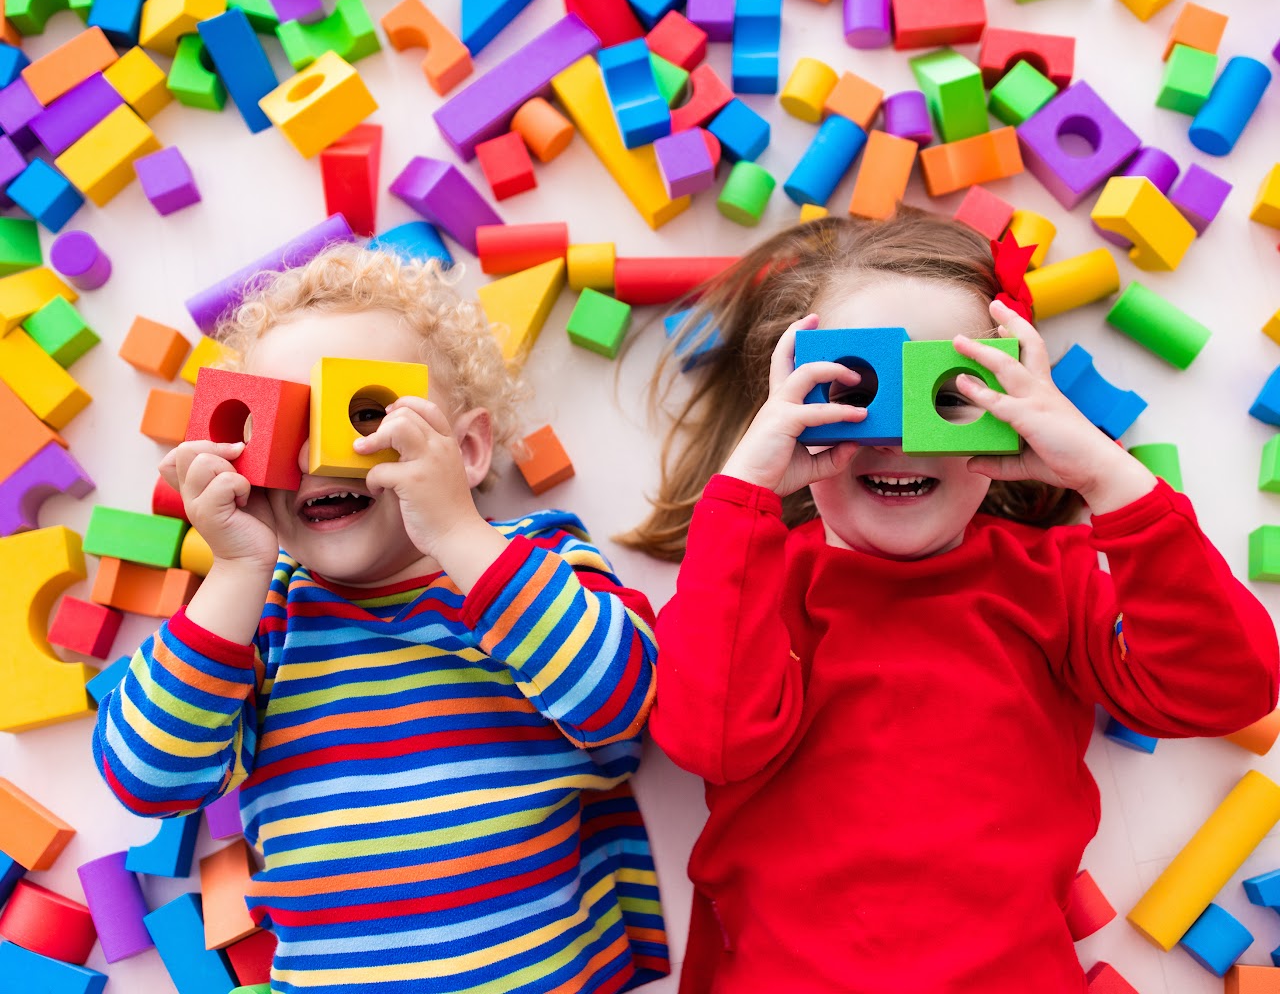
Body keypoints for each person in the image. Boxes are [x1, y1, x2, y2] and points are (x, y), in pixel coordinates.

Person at [622, 210, 1278, 993]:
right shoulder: (754, 581)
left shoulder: (1051, 580)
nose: (902, 439)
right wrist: (745, 494)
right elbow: (709, 741)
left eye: (951, 394)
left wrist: (1107, 478)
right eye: (853, 393)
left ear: (1014, 412)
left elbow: (1229, 687)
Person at [94, 244, 669, 993]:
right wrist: (235, 570)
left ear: (465, 450)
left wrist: (461, 536)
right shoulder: (259, 619)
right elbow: (146, 779)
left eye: (362, 415)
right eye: (281, 431)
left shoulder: (533, 561)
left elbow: (627, 705)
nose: (316, 458)